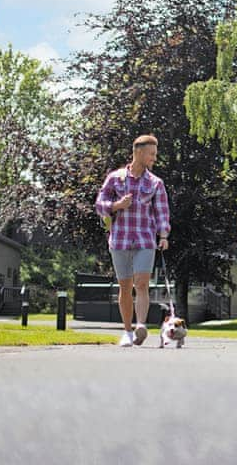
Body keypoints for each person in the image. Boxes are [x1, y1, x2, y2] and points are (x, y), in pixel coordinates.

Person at [95, 135, 170, 347]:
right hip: (119, 240)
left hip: (145, 239)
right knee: (125, 286)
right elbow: (100, 204)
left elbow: (162, 213)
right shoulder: (115, 178)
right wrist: (117, 205)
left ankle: (141, 325)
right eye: (152, 154)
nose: (155, 158)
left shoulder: (155, 183)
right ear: (138, 152)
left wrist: (163, 235)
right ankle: (127, 331)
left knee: (142, 283)